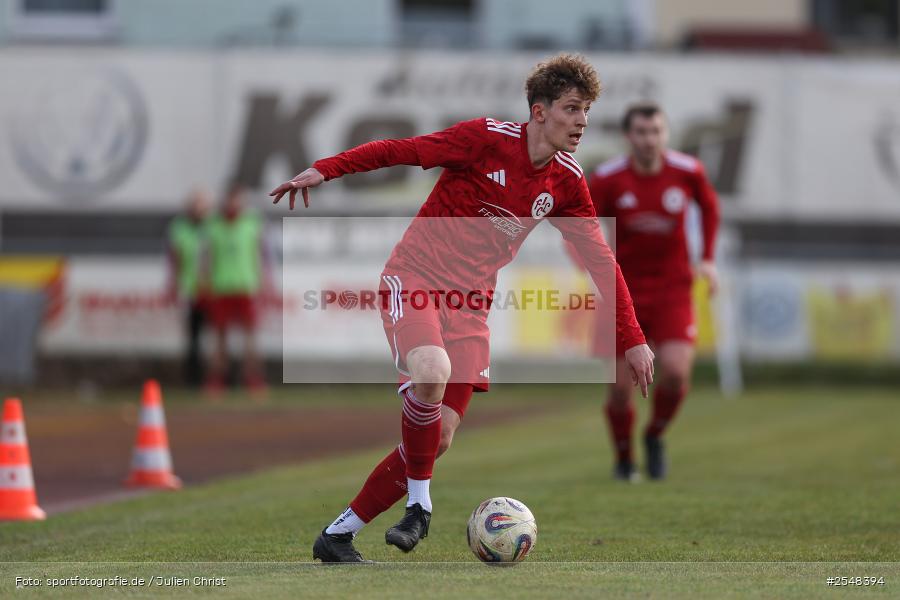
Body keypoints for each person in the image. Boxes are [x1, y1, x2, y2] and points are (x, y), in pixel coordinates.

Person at [269, 54, 655, 563]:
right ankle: (420, 506)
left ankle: (337, 536)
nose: (582, 120)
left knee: (440, 437)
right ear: (539, 112)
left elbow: (601, 262)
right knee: (432, 371)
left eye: (586, 110)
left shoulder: (566, 182)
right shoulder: (484, 139)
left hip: (472, 307)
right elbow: (399, 150)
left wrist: (633, 339)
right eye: (572, 108)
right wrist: (325, 169)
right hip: (416, 278)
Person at [588, 102, 720, 482]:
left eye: (656, 131)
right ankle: (625, 460)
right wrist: (588, 262)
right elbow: (580, 222)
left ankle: (655, 434)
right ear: (628, 136)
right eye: (642, 132)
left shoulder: (688, 171)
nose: (649, 140)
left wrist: (708, 259)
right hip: (622, 292)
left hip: (672, 288)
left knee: (676, 373)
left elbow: (710, 209)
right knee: (619, 390)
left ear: (666, 134)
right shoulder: (608, 178)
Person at [204, 183, 269, 397]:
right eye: (230, 199)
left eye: (237, 199)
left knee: (250, 338)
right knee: (220, 338)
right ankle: (217, 379)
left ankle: (253, 379)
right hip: (221, 286)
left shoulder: (251, 223)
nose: (233, 203)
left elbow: (260, 255)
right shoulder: (213, 225)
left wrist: (264, 282)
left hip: (246, 286)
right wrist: (206, 282)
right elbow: (207, 257)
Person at [166, 189, 212, 387]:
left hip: (212, 288)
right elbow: (175, 258)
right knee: (193, 334)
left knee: (216, 335)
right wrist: (173, 284)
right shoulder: (179, 228)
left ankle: (216, 377)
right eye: (195, 204)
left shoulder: (213, 226)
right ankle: (193, 377)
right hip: (190, 288)